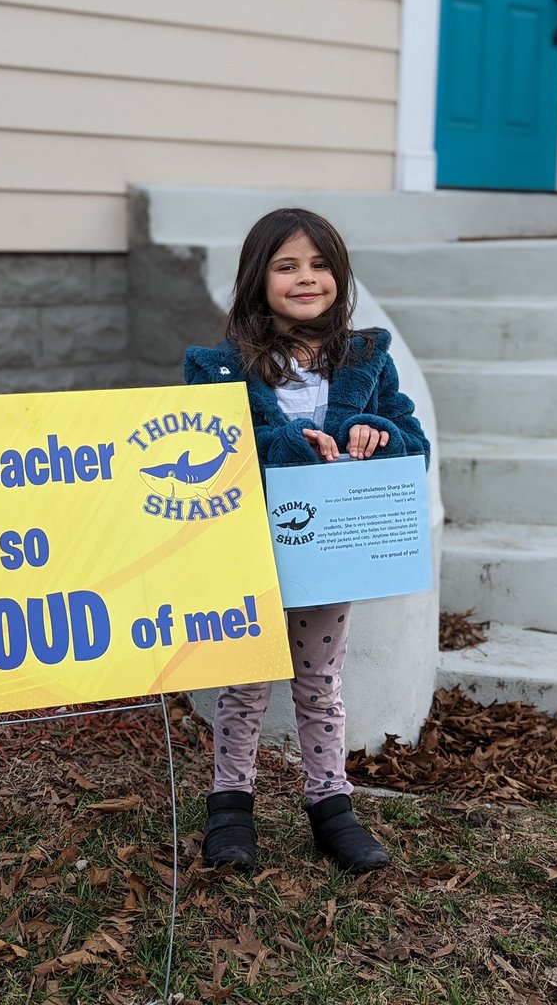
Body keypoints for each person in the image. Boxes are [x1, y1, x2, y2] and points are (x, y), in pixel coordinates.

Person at [183, 208, 430, 874]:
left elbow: (414, 446)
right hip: (251, 551)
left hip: (328, 558)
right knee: (245, 683)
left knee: (319, 680)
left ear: (339, 275)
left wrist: (378, 436)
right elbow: (213, 456)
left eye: (319, 264)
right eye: (286, 265)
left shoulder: (367, 360)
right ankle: (230, 807)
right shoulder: (217, 368)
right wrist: (292, 446)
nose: (305, 277)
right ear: (256, 279)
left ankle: (332, 808)